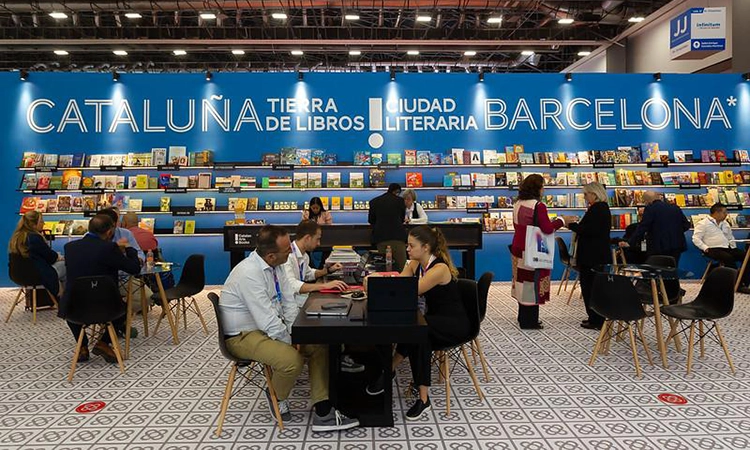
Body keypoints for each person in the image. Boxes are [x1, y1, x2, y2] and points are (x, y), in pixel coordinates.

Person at [219, 225, 359, 432]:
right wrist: (291, 341)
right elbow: (266, 320)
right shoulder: (248, 274)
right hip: (242, 335)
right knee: (292, 360)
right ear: (271, 255)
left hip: (266, 328)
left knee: (318, 346)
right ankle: (275, 395)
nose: (290, 253)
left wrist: (297, 334)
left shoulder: (278, 265)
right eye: (286, 250)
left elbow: (288, 302)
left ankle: (323, 409)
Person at [365, 226, 470, 420]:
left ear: (426, 247)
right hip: (431, 318)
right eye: (408, 245)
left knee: (419, 332)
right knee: (416, 329)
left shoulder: (439, 269)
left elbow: (411, 290)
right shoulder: (415, 263)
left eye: (411, 245)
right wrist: (380, 281)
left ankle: (420, 396)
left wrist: (377, 281)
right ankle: (394, 373)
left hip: (454, 324)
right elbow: (400, 284)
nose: (407, 249)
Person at [281, 220, 366, 374]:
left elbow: (308, 274)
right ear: (307, 238)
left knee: (337, 308)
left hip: (300, 301)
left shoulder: (303, 256)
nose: (319, 243)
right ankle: (335, 356)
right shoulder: (288, 256)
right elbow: (291, 285)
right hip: (292, 306)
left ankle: (338, 355)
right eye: (317, 239)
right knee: (331, 313)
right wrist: (324, 286)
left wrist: (328, 270)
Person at [60, 215, 141, 363]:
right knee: (125, 309)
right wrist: (129, 248)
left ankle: (82, 346)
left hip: (73, 308)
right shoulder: (109, 248)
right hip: (107, 308)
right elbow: (134, 268)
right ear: (109, 232)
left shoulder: (69, 248)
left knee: (70, 300)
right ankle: (103, 343)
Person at [510, 174, 568, 329]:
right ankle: (530, 321)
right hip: (532, 249)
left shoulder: (517, 203)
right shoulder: (538, 206)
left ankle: (522, 316)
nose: (544, 190)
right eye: (542, 187)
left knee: (521, 282)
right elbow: (547, 229)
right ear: (537, 188)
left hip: (517, 246)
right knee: (531, 282)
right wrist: (562, 221)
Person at [566, 182, 611, 330]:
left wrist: (570, 225)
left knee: (590, 287)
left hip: (592, 256)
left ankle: (596, 319)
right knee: (590, 286)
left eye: (586, 194)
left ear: (594, 194)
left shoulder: (598, 209)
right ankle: (594, 317)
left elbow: (588, 230)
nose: (585, 197)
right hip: (595, 254)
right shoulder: (600, 208)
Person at [619, 191, 691, 265]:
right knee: (672, 267)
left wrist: (630, 243)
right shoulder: (675, 207)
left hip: (658, 246)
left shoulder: (650, 209)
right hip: (676, 245)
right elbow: (686, 225)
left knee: (657, 268)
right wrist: (674, 232)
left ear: (647, 201)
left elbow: (643, 227)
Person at [693, 203, 750, 292]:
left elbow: (730, 237)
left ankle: (743, 281)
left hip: (727, 247)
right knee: (728, 258)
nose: (726, 214)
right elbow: (696, 238)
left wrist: (733, 247)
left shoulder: (725, 223)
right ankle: (736, 284)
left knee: (746, 256)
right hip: (712, 249)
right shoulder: (703, 223)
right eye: (724, 212)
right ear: (717, 213)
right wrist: (705, 248)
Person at [8, 211, 66, 297]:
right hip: (35, 275)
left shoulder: (16, 237)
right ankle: (65, 298)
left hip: (16, 275)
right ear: (33, 225)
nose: (44, 224)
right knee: (66, 265)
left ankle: (60, 294)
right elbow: (50, 258)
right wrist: (59, 257)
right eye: (41, 221)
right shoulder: (34, 238)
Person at [368, 183, 407, 271]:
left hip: (380, 237)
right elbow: (402, 219)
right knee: (401, 267)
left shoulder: (374, 201)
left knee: (383, 266)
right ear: (397, 191)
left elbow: (371, 220)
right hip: (397, 237)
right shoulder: (400, 201)